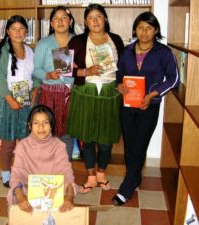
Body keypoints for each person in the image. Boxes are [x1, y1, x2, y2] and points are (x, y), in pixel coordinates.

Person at [113, 11, 180, 205]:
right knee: (129, 143)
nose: (144, 31)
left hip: (149, 106)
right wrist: (119, 85)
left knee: (139, 144)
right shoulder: (127, 51)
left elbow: (173, 79)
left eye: (149, 28)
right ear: (135, 29)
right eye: (141, 27)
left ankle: (127, 186)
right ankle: (134, 177)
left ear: (156, 30)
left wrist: (152, 94)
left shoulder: (163, 52)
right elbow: (119, 73)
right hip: (127, 105)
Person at [67, 3, 124, 193]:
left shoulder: (115, 39)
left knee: (106, 140)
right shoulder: (76, 41)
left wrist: (122, 84)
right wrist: (86, 71)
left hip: (109, 92)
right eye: (91, 18)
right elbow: (65, 69)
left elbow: (123, 67)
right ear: (85, 22)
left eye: (99, 16)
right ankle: (91, 176)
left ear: (105, 18)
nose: (95, 21)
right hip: (85, 92)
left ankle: (101, 173)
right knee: (87, 138)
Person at [0, 15, 40, 188]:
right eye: (14, 29)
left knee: (24, 140)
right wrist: (10, 99)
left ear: (26, 31)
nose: (18, 32)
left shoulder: (31, 50)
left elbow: (35, 74)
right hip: (7, 101)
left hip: (26, 101)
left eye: (21, 29)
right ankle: (5, 174)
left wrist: (36, 88)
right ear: (7, 32)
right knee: (8, 141)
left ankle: (21, 171)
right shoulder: (3, 50)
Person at [7, 105, 76, 213]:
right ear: (29, 126)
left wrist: (70, 197)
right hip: (28, 191)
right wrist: (21, 198)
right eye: (36, 123)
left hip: (53, 192)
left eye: (46, 122)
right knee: (17, 194)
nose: (41, 127)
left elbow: (67, 175)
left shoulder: (59, 145)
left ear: (51, 126)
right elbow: (16, 176)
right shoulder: (22, 146)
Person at [33, 6, 76, 161]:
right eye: (56, 19)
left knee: (67, 133)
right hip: (49, 92)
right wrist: (47, 74)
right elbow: (35, 70)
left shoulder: (78, 41)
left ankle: (65, 169)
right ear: (51, 23)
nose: (60, 21)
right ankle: (47, 171)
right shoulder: (43, 43)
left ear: (70, 21)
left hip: (71, 92)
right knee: (46, 132)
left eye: (64, 17)